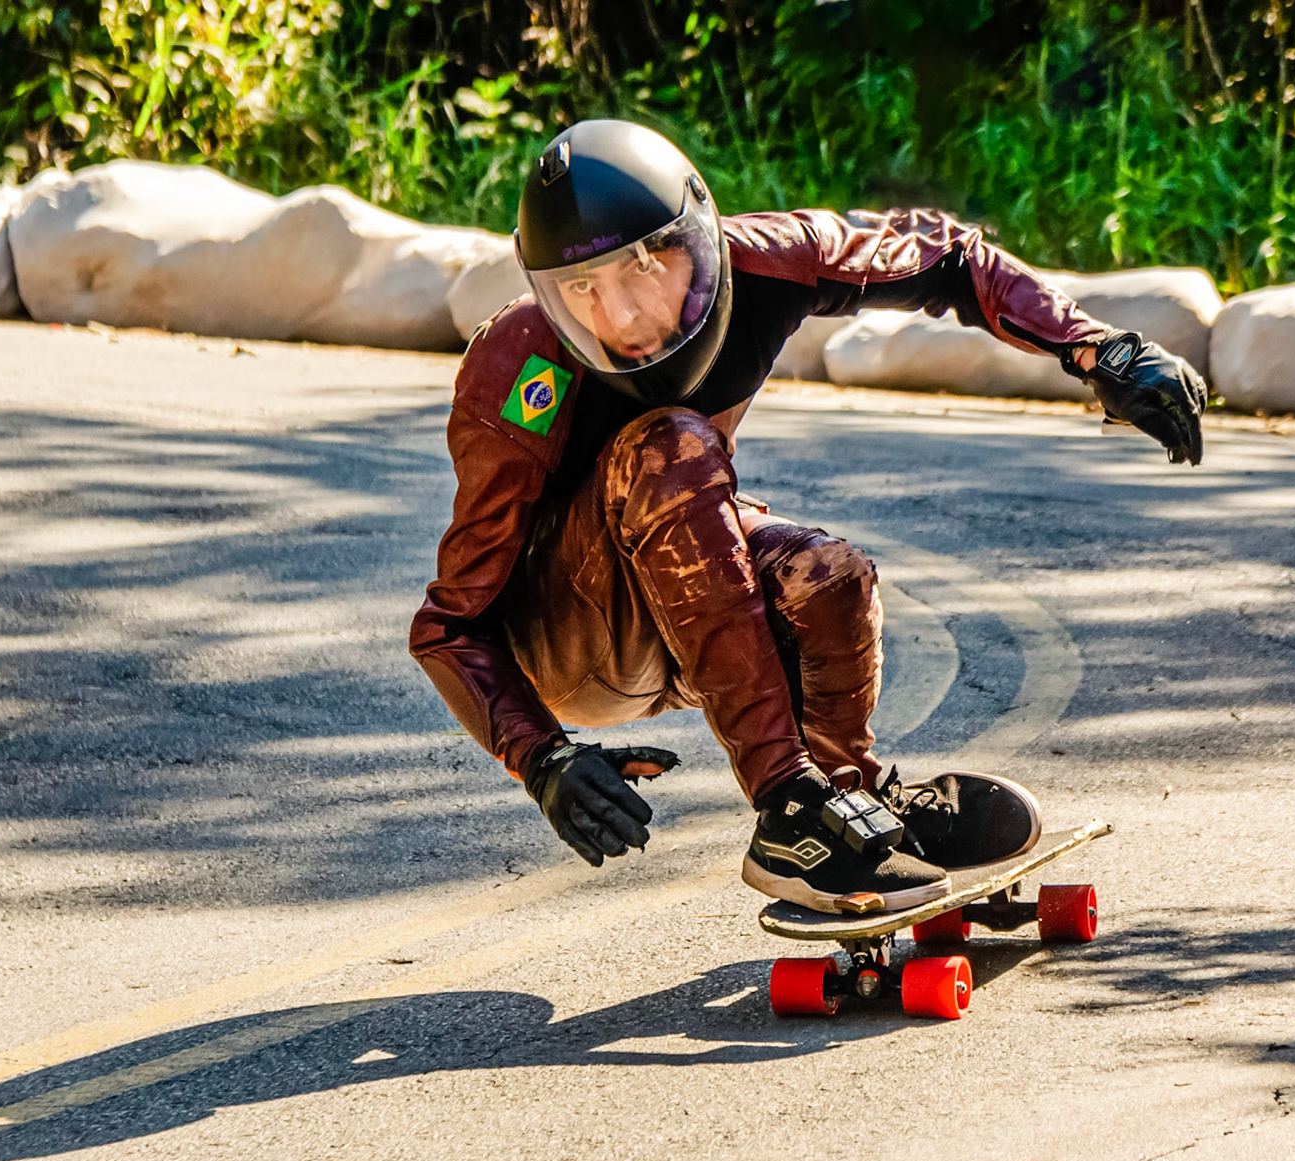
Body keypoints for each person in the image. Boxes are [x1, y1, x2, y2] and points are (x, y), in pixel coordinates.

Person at [409, 119, 1205, 915]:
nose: (618, 316)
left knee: (829, 579)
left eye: (641, 268)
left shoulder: (769, 261)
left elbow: (947, 255)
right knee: (672, 446)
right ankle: (791, 811)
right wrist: (543, 758)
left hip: (678, 589)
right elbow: (451, 624)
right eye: (579, 289)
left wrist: (1096, 349)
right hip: (567, 642)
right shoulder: (521, 366)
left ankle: (852, 805)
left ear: (698, 238)